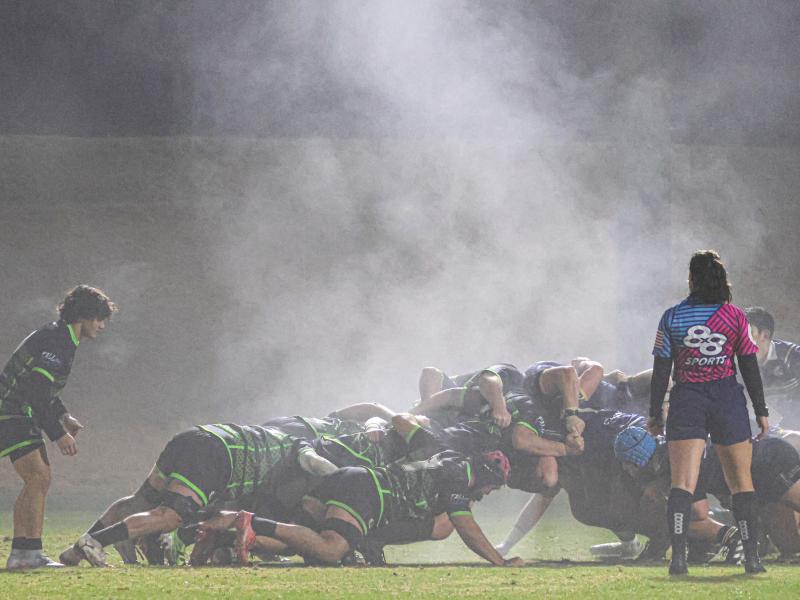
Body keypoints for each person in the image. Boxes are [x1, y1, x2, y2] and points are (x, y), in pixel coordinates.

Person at [59, 423, 338, 567]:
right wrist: (339, 474)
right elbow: (314, 462)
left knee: (141, 500)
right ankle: (94, 541)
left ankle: (73, 552)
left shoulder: (270, 438)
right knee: (170, 516)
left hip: (192, 437)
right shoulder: (301, 445)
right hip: (215, 454)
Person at [647, 250, 769, 575]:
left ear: (691, 279)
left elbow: (661, 371)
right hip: (726, 397)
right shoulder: (734, 317)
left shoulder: (672, 317)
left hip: (687, 398)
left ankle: (678, 560)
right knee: (741, 481)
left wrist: (654, 412)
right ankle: (753, 560)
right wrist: (761, 410)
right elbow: (748, 365)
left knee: (682, 483)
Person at [199, 449, 524, 567]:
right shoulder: (458, 477)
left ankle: (227, 538)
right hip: (367, 491)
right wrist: (501, 561)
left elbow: (443, 525)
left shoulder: (450, 461)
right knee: (331, 550)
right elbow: (467, 529)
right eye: (495, 485)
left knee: (307, 544)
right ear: (485, 475)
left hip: (354, 481)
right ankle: (250, 522)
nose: (492, 492)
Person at [0, 285, 116, 569]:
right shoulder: (58, 341)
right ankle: (27, 554)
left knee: (38, 478)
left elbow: (44, 388)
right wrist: (58, 434)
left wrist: (63, 415)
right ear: (85, 316)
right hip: (11, 411)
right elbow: (37, 392)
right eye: (100, 318)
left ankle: (24, 553)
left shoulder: (61, 336)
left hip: (17, 411)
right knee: (38, 477)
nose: (102, 326)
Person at [745, 307, 800, 428]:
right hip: (767, 430)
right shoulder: (735, 366)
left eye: (746, 332)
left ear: (765, 335)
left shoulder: (793, 356)